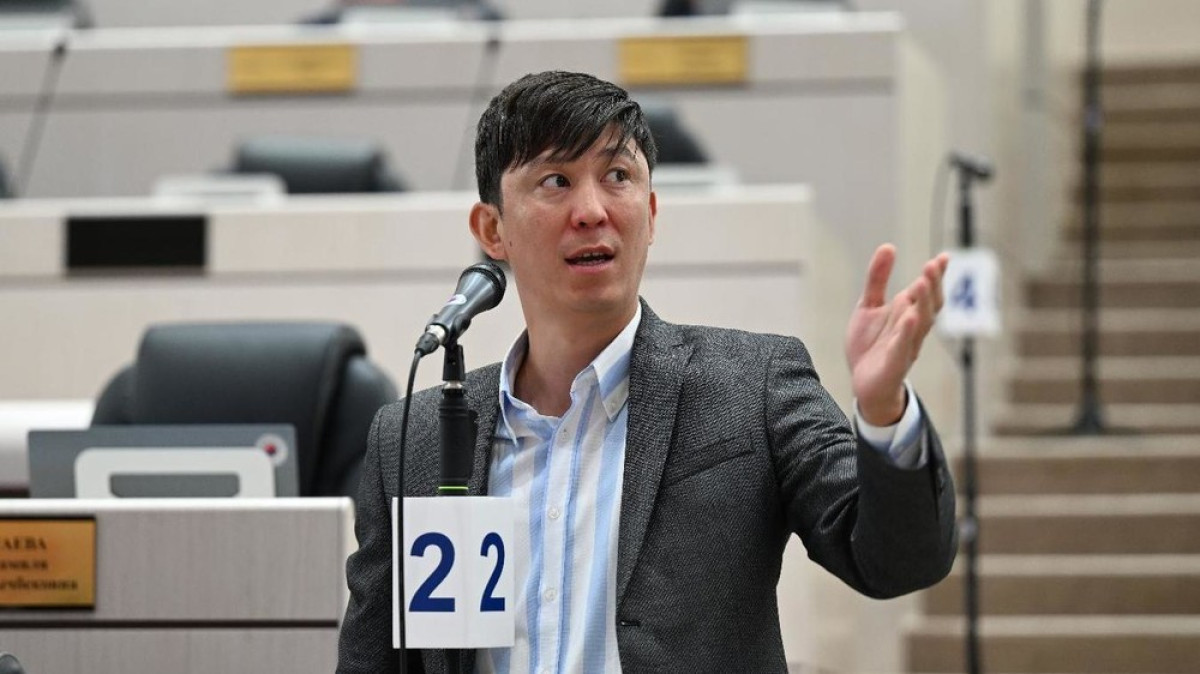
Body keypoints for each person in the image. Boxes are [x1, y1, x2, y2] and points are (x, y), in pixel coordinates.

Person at [338, 70, 957, 674]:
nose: (591, 210)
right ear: (492, 230)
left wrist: (884, 411)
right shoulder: (415, 439)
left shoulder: (754, 386)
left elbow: (897, 561)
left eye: (617, 176)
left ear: (652, 213)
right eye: (555, 180)